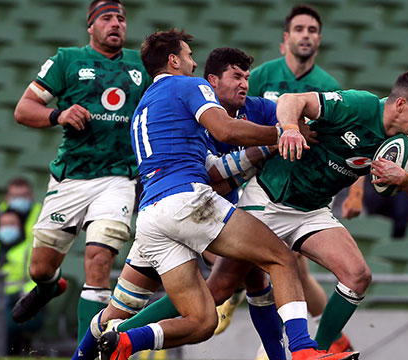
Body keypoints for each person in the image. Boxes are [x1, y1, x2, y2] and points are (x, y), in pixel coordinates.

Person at [94, 29, 359, 360]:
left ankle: (118, 342)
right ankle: (305, 352)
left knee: (207, 318)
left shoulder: (151, 105)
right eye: (236, 76)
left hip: (155, 212)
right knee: (274, 262)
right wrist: (278, 138)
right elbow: (220, 156)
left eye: (247, 77)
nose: (244, 84)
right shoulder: (191, 94)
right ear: (199, 74)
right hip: (192, 204)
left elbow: (291, 114)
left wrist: (299, 126)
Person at [231, 71, 408, 353]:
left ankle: (318, 352)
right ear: (401, 104)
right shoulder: (360, 105)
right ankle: (148, 326)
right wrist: (291, 128)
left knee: (358, 276)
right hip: (269, 199)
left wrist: (405, 179)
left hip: (312, 211)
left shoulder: (399, 143)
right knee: (217, 291)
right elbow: (292, 100)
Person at [11, 0, 153, 343]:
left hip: (120, 178)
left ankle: (87, 351)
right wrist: (57, 115)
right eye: (107, 18)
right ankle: (50, 287)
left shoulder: (141, 65)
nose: (116, 23)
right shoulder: (67, 60)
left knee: (99, 259)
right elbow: (23, 109)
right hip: (72, 176)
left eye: (121, 18)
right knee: (40, 268)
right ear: (91, 26)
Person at [247, 5, 357, 354]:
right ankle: (321, 343)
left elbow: (349, 142)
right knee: (282, 266)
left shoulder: (326, 86)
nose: (305, 34)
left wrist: (356, 193)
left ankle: (307, 344)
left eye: (312, 29)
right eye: (299, 29)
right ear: (285, 40)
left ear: (319, 40)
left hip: (307, 191)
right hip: (262, 182)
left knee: (291, 267)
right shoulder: (263, 76)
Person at [0, 209, 43, 354]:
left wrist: (18, 297)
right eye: (3, 224)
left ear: (21, 227)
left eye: (12, 224)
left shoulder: (29, 250)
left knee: (4, 323)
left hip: (19, 304)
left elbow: (37, 281)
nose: (7, 228)